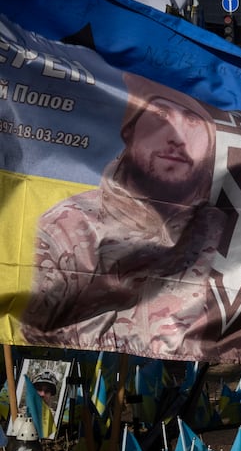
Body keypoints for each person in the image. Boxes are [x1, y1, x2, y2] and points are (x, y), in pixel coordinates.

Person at [21, 77, 224, 358]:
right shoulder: (63, 227)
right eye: (160, 115)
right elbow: (32, 335)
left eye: (193, 121)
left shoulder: (232, 231)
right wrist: (102, 295)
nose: (177, 137)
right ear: (129, 130)